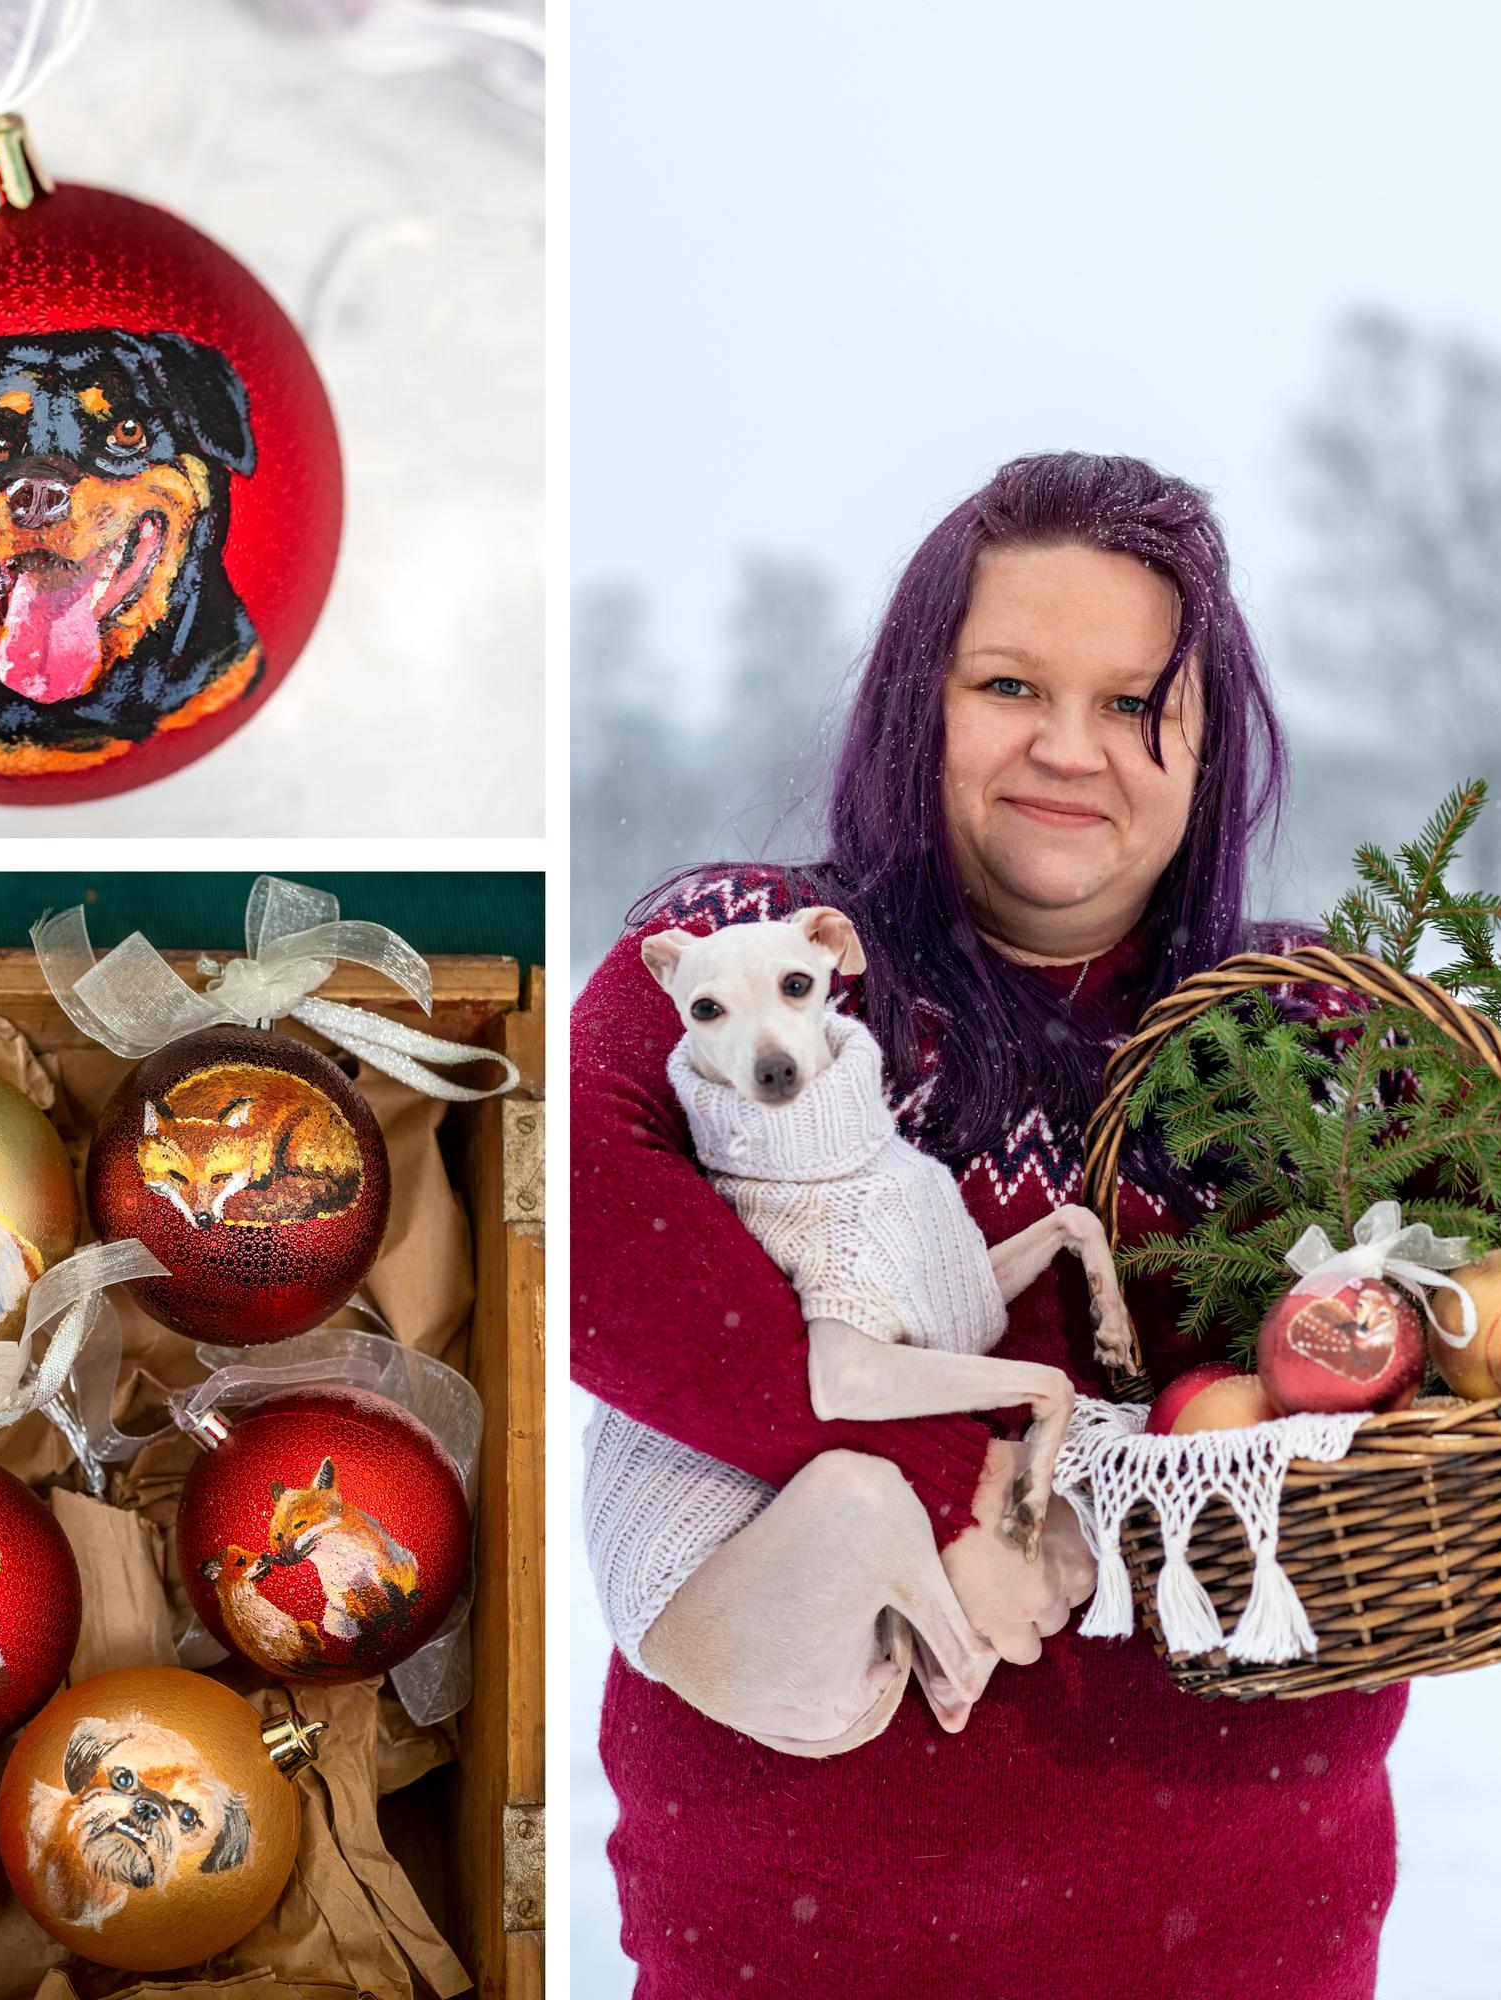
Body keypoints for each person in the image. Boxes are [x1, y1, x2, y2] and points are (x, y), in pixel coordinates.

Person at [572, 452, 1403, 2000]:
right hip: (797, 1939)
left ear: (1208, 744)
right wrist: (967, 1488)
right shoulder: (758, 961)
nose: (1069, 750)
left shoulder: (1323, 1037)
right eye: (1010, 684)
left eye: (1135, 702)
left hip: (1245, 1934)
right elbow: (584, 1229)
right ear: (918, 705)